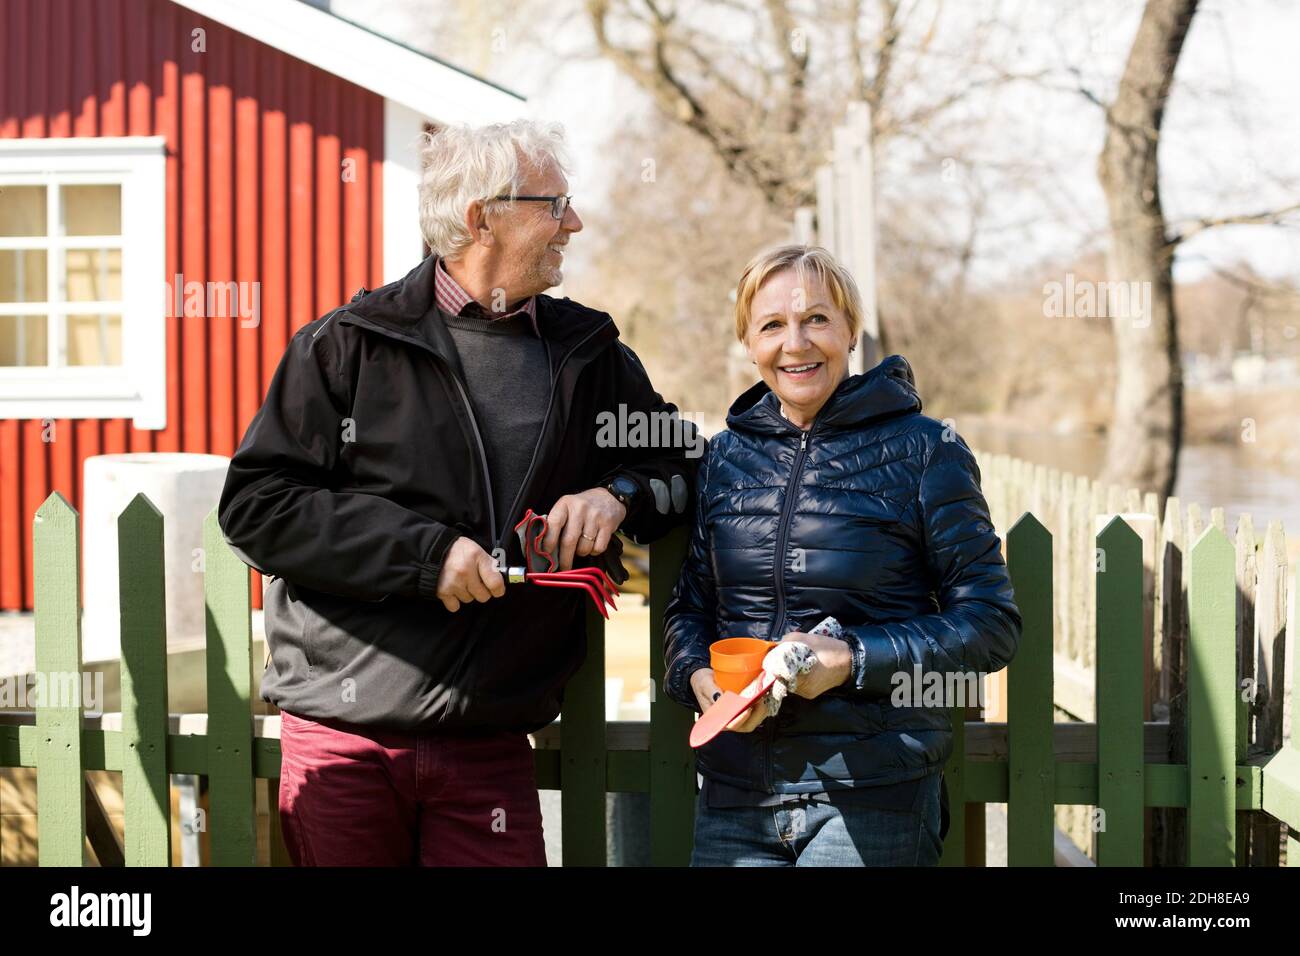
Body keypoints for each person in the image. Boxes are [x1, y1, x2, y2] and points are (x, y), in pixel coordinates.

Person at [218, 120, 700, 866]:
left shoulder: (588, 354)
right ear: (482, 218)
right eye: (555, 204)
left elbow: (686, 462)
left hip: (491, 746)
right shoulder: (347, 345)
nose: (574, 222)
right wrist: (423, 556)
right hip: (345, 742)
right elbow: (258, 506)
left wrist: (621, 494)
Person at [663, 244, 1021, 866]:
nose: (795, 343)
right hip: (736, 792)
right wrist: (700, 680)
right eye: (772, 324)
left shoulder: (925, 450)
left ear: (852, 331)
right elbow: (688, 610)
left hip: (873, 794)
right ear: (748, 342)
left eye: (816, 320)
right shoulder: (722, 460)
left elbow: (990, 625)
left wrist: (852, 659)